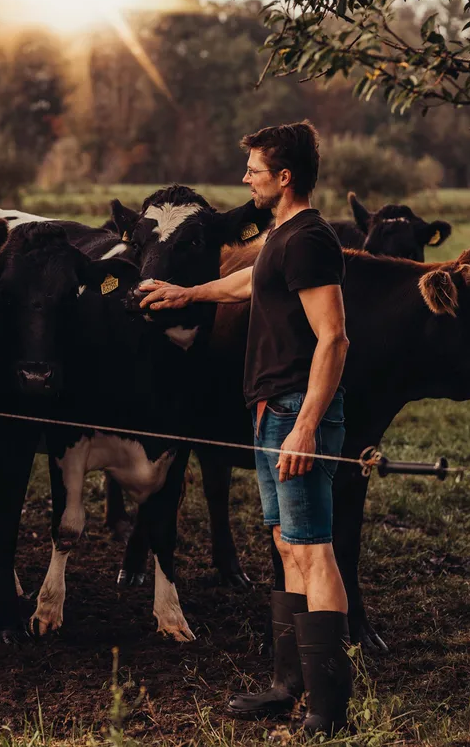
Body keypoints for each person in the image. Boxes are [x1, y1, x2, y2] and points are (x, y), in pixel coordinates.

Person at [139, 121, 351, 735]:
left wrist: (307, 425)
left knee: (313, 549)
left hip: (294, 411)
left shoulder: (310, 239)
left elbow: (334, 338)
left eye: (255, 170)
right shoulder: (282, 235)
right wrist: (189, 294)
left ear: (285, 178)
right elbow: (250, 280)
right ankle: (289, 685)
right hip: (269, 409)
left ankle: (328, 709)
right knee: (287, 544)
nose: (245, 179)